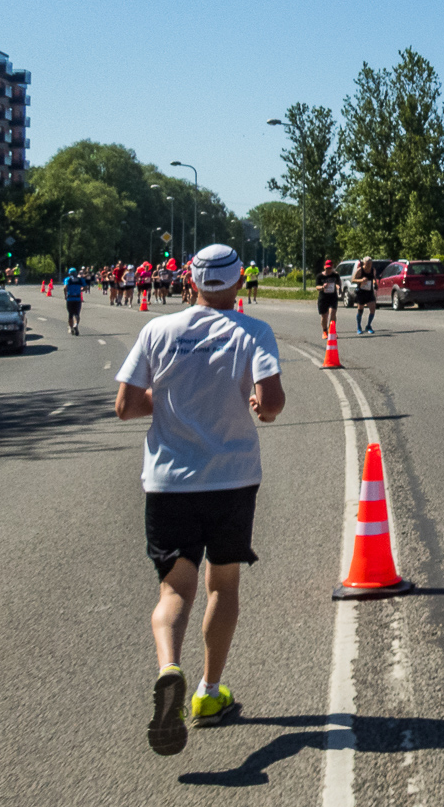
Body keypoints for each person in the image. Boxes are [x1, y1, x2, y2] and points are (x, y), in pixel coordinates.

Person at [115, 244, 286, 756]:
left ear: (190, 282)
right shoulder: (252, 331)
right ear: (238, 284)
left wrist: (166, 400)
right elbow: (272, 404)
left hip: (169, 482)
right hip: (232, 479)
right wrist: (258, 404)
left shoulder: (156, 331)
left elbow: (124, 406)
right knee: (223, 586)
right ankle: (208, 693)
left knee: (175, 592)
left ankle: (169, 666)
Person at [316, 259, 341, 339]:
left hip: (333, 297)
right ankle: (324, 331)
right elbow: (317, 287)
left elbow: (338, 284)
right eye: (327, 268)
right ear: (324, 267)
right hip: (323, 298)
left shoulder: (335, 275)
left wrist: (339, 287)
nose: (328, 270)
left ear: (332, 267)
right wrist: (322, 287)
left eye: (330, 268)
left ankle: (332, 331)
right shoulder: (320, 276)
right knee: (324, 316)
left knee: (333, 313)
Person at [352, 256, 378, 334]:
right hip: (361, 292)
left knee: (373, 309)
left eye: (370, 264)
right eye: (367, 264)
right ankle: (359, 327)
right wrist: (361, 280)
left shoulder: (373, 270)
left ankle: (368, 326)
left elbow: (373, 278)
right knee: (360, 310)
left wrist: (374, 282)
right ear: (364, 263)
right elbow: (353, 280)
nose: (368, 266)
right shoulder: (360, 270)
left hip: (369, 292)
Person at [63, 267, 84, 335]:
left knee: (70, 314)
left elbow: (65, 287)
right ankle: (76, 324)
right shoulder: (80, 280)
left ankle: (71, 327)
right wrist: (81, 290)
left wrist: (65, 294)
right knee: (77, 313)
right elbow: (85, 287)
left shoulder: (67, 279)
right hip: (77, 299)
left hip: (70, 298)